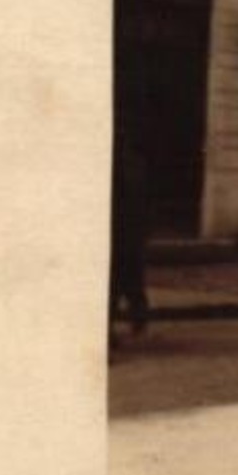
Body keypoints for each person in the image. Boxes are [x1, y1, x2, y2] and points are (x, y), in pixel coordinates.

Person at [109, 126, 152, 340]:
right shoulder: (136, 165)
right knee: (128, 279)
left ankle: (137, 317)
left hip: (124, 231)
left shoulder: (129, 166)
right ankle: (138, 317)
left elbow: (141, 201)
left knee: (122, 279)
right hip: (127, 232)